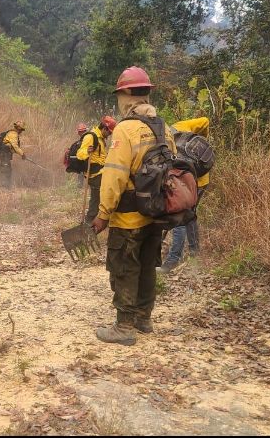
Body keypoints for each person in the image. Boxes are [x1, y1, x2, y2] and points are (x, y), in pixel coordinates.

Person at [91, 66, 176, 346]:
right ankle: (144, 318)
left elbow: (114, 174)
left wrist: (103, 213)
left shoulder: (125, 130)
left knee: (125, 267)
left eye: (120, 94)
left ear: (127, 95)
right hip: (156, 215)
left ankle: (124, 327)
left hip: (128, 217)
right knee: (148, 266)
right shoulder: (164, 127)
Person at [158, 117, 211, 273]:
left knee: (179, 218)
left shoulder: (180, 128)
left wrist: (200, 141)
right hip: (193, 181)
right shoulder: (175, 131)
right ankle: (194, 252)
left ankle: (173, 260)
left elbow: (205, 121)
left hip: (194, 181)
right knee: (189, 215)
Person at [76, 116, 117, 224]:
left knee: (100, 198)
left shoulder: (101, 138)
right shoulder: (91, 136)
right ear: (105, 128)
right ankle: (89, 223)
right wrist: (87, 152)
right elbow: (80, 154)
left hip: (101, 173)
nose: (110, 135)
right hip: (95, 175)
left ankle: (94, 221)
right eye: (110, 132)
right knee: (97, 199)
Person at [0, 120, 26, 189]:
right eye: (21, 130)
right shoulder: (13, 134)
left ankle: (6, 186)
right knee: (6, 168)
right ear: (19, 128)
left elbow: (12, 147)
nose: (21, 131)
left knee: (8, 168)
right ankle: (4, 186)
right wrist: (22, 154)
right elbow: (15, 146)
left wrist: (20, 154)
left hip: (5, 152)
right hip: (5, 153)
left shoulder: (11, 133)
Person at [74, 123, 88, 188]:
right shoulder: (80, 140)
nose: (80, 133)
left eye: (81, 132)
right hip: (82, 158)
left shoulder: (88, 138)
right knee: (81, 171)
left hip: (88, 158)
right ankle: (80, 185)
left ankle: (87, 185)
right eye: (79, 132)